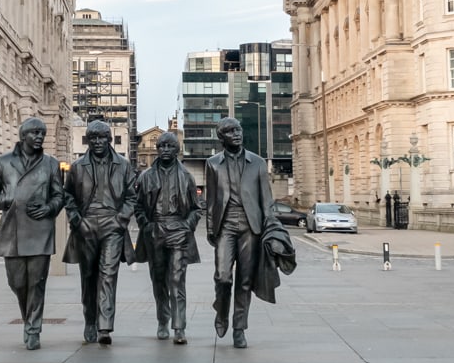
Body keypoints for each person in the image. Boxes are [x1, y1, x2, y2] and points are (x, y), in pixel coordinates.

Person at [205, 117, 293, 348]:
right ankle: (222, 311)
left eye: (239, 129)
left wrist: (272, 228)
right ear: (221, 137)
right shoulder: (213, 163)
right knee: (223, 278)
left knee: (244, 281)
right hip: (225, 226)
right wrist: (210, 230)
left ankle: (239, 328)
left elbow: (267, 200)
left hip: (250, 227)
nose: (237, 134)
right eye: (230, 131)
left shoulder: (258, 163)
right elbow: (211, 200)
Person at [0, 117, 65, 351]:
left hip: (40, 230)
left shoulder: (51, 164)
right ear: (23, 136)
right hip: (13, 231)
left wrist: (49, 208)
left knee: (37, 283)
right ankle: (28, 318)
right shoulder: (4, 162)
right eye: (35, 133)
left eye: (43, 133)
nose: (40, 137)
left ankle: (33, 329)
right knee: (17, 282)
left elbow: (60, 196)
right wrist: (8, 200)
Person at [63, 120, 137, 346]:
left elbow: (132, 196)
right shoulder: (77, 167)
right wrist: (77, 222)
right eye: (92, 138)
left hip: (112, 226)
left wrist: (120, 219)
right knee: (88, 277)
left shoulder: (123, 165)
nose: (97, 142)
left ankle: (105, 325)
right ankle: (90, 320)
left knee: (108, 274)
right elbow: (68, 197)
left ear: (109, 139)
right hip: (86, 226)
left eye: (102, 137)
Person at [134, 132, 201, 345]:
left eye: (169, 146)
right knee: (159, 280)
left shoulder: (186, 177)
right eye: (161, 145)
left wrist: (186, 226)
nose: (164, 149)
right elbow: (137, 206)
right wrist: (147, 225)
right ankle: (163, 320)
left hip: (178, 232)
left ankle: (179, 326)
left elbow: (196, 209)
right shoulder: (145, 177)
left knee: (176, 280)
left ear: (176, 149)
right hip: (155, 231)